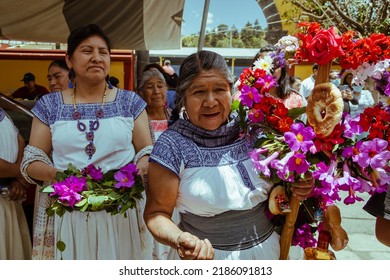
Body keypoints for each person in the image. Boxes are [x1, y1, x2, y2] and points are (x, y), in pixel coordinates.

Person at [143, 50, 314, 260]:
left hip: (269, 253)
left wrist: (300, 186)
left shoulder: (255, 131)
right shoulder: (171, 146)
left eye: (219, 89)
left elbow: (281, 190)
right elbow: (156, 214)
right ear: (182, 98)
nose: (211, 101)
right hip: (203, 259)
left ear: (231, 91)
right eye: (198, 92)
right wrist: (179, 238)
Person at [20, 24, 153, 260]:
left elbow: (147, 150)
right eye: (87, 51)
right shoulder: (49, 106)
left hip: (121, 213)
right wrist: (57, 176)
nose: (96, 58)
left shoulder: (130, 102)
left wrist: (139, 170)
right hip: (69, 215)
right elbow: (31, 159)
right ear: (69, 60)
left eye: (103, 52)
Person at [137, 67, 180, 259]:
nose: (156, 91)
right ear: (140, 92)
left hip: (175, 188)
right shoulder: (137, 122)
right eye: (149, 87)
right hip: (148, 189)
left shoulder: (176, 118)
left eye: (160, 85)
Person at [0, 107, 32, 259]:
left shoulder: (3, 111)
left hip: (9, 196)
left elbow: (18, 139)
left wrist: (17, 179)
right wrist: (23, 171)